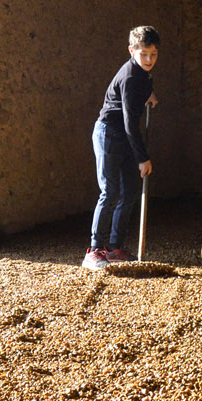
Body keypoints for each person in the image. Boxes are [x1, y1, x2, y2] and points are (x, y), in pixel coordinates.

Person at [85, 26, 159, 270]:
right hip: (109, 134)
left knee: (128, 192)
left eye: (154, 54)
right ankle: (94, 251)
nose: (149, 59)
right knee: (110, 191)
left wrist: (149, 94)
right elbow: (129, 121)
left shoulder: (142, 75)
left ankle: (114, 248)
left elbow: (141, 89)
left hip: (124, 136)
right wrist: (143, 158)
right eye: (144, 54)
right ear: (132, 51)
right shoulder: (129, 76)